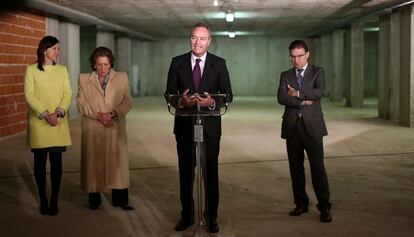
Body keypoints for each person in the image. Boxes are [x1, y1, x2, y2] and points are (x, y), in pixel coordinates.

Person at [164, 23, 233, 233]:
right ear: (189, 39)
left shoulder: (218, 64)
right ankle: (187, 216)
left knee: (210, 173)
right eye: (194, 38)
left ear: (209, 41)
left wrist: (211, 102)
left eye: (202, 39)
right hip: (185, 126)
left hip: (210, 127)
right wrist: (181, 102)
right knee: (186, 174)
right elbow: (168, 93)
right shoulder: (177, 63)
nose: (198, 42)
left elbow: (228, 94)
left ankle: (211, 217)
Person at [277, 40, 332, 223]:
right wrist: (302, 101)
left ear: (307, 54)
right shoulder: (285, 75)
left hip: (313, 127)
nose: (296, 60)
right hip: (292, 126)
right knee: (296, 168)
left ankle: (324, 207)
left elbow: (319, 93)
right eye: (293, 57)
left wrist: (298, 93)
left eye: (300, 56)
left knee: (318, 169)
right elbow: (281, 97)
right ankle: (301, 203)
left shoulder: (318, 72)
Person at [77, 46, 133, 211]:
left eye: (106, 65)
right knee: (93, 163)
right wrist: (98, 115)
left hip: (114, 125)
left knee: (118, 164)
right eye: (99, 65)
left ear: (111, 65)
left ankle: (121, 200)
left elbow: (127, 102)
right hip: (93, 127)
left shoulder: (122, 78)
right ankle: (94, 200)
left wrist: (114, 113)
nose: (103, 68)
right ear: (94, 64)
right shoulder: (84, 79)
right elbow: (81, 104)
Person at [24, 35, 72, 216]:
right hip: (40, 123)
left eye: (58, 48)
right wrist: (45, 114)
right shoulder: (31, 70)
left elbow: (67, 93)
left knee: (57, 164)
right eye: (55, 49)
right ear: (45, 50)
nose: (57, 52)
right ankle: (43, 199)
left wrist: (58, 112)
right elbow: (29, 96)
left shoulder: (62, 70)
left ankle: (54, 200)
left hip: (58, 122)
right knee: (40, 164)